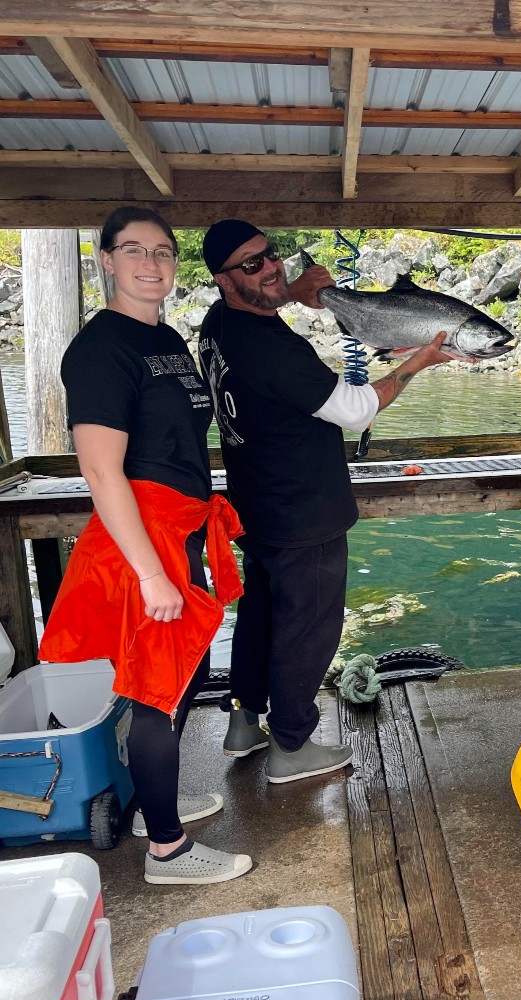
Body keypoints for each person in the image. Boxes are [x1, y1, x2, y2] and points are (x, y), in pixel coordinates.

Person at [197, 219, 463, 783]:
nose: (269, 267)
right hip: (303, 515)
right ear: (223, 279)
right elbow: (356, 409)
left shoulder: (218, 324)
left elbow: (258, 313)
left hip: (256, 507)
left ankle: (244, 722)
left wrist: (291, 294)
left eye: (269, 256)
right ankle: (291, 746)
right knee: (308, 629)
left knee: (261, 615)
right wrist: (414, 363)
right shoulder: (273, 349)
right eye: (250, 265)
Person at [38, 206, 251, 885]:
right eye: (134, 250)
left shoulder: (166, 338)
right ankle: (167, 850)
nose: (151, 263)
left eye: (163, 251)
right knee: (157, 694)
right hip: (145, 539)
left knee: (181, 681)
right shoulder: (102, 349)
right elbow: (101, 470)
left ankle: (150, 807)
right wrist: (151, 574)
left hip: (183, 526)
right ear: (106, 259)